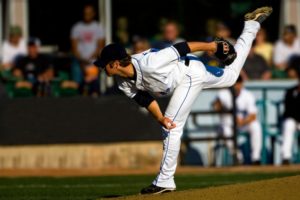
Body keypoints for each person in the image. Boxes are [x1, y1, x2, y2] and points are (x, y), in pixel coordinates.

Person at [93, 7, 272, 194]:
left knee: (172, 126)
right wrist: (159, 117)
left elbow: (182, 47)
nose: (101, 68)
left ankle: (165, 180)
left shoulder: (150, 63)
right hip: (188, 73)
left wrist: (212, 46)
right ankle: (251, 25)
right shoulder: (122, 81)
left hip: (190, 74)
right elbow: (143, 98)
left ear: (114, 63)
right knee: (231, 76)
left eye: (103, 65)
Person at [213, 76, 262, 164]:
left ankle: (256, 158)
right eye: (235, 83)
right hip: (228, 123)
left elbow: (253, 115)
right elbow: (216, 107)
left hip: (243, 123)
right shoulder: (223, 93)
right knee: (225, 130)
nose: (237, 86)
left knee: (256, 126)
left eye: (239, 83)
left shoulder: (247, 94)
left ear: (241, 84)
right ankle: (238, 157)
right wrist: (221, 106)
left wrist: (242, 122)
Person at [71, 4, 105, 96]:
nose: (87, 15)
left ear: (93, 14)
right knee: (78, 86)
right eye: (85, 13)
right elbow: (74, 47)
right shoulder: (77, 27)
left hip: (94, 61)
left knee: (94, 86)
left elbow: (100, 46)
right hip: (79, 61)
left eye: (89, 13)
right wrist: (82, 60)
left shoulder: (98, 27)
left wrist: (91, 59)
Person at [281, 66, 300, 165]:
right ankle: (286, 157)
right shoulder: (290, 91)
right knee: (288, 125)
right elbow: (288, 109)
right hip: (292, 119)